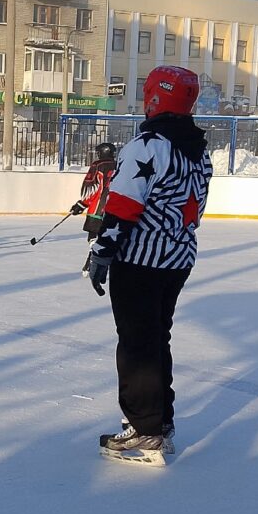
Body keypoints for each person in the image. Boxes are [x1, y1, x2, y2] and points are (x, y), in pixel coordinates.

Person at [86, 65, 212, 464]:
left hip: (140, 260)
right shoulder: (198, 150)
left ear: (156, 97)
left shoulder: (148, 145)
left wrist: (103, 251)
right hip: (177, 258)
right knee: (157, 339)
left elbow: (122, 206)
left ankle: (144, 431)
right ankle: (161, 423)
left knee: (137, 345)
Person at [70, 141, 117, 273]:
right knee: (108, 238)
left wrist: (81, 204)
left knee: (94, 239)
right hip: (114, 209)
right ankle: (94, 265)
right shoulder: (120, 166)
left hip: (97, 209)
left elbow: (93, 190)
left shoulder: (97, 166)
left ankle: (91, 265)